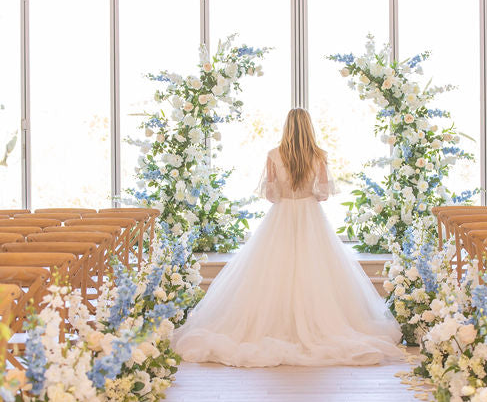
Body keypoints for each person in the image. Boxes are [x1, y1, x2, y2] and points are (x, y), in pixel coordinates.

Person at [171, 107, 402, 367]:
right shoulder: (319, 156)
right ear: (308, 127)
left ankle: (273, 323)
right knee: (316, 270)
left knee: (272, 270)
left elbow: (271, 194)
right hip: (310, 216)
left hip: (280, 217)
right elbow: (324, 193)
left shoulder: (273, 155)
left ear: (287, 127)